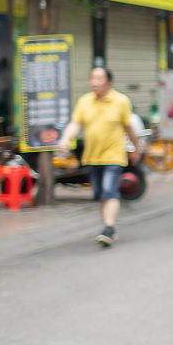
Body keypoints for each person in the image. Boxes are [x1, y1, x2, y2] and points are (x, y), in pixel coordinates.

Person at [57, 67, 142, 247]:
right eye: (92, 78)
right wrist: (65, 138)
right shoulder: (85, 101)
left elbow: (128, 127)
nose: (93, 82)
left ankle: (108, 228)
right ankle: (108, 226)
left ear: (109, 82)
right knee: (100, 194)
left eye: (98, 79)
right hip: (93, 156)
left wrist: (136, 147)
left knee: (110, 191)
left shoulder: (121, 101)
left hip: (114, 155)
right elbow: (75, 124)